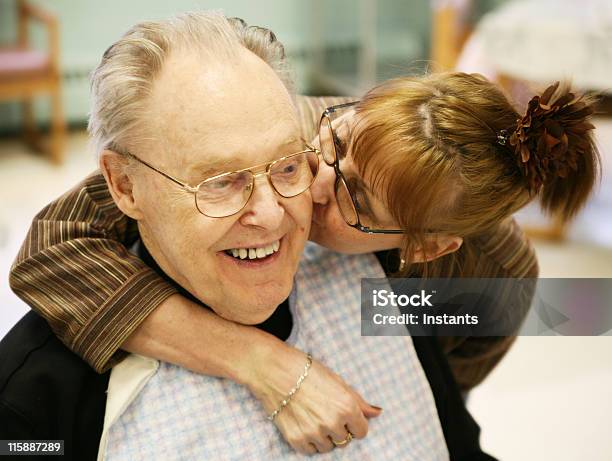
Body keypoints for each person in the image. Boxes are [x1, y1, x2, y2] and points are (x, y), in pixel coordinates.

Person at [1, 12, 496, 461]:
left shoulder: (388, 279)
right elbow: (52, 243)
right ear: (125, 185)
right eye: (219, 182)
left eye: (285, 166)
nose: (272, 213)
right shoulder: (36, 397)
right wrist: (251, 356)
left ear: (425, 245)